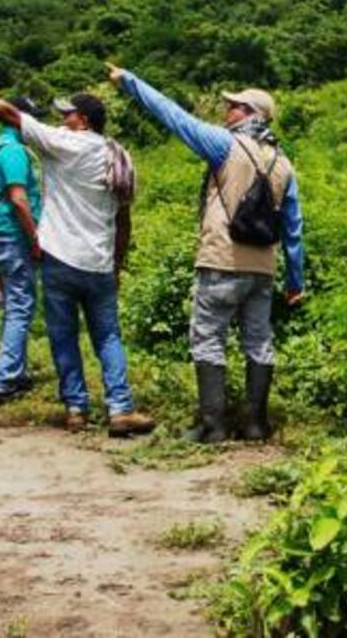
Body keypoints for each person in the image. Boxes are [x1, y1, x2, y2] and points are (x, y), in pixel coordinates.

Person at [0, 63, 155, 438]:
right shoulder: (119, 156)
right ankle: (120, 408)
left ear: (83, 120)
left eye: (67, 114)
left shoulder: (62, 145)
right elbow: (124, 220)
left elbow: (9, 113)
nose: (61, 119)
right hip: (99, 261)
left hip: (60, 258)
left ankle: (76, 408)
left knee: (63, 335)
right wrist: (117, 263)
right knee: (107, 336)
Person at [108, 63, 305, 443]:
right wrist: (294, 280)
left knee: (208, 338)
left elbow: (173, 116)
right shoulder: (284, 164)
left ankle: (212, 425)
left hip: (220, 261)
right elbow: (293, 229)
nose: (226, 110)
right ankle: (255, 424)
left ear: (252, 115)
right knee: (259, 341)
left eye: (234, 106)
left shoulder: (224, 144)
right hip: (263, 269)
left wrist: (130, 83)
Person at [0, 96, 43, 408]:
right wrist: (34, 240)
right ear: (19, 119)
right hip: (14, 238)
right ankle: (4, 382)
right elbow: (19, 199)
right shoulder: (15, 152)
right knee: (21, 307)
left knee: (15, 306)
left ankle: (14, 374)